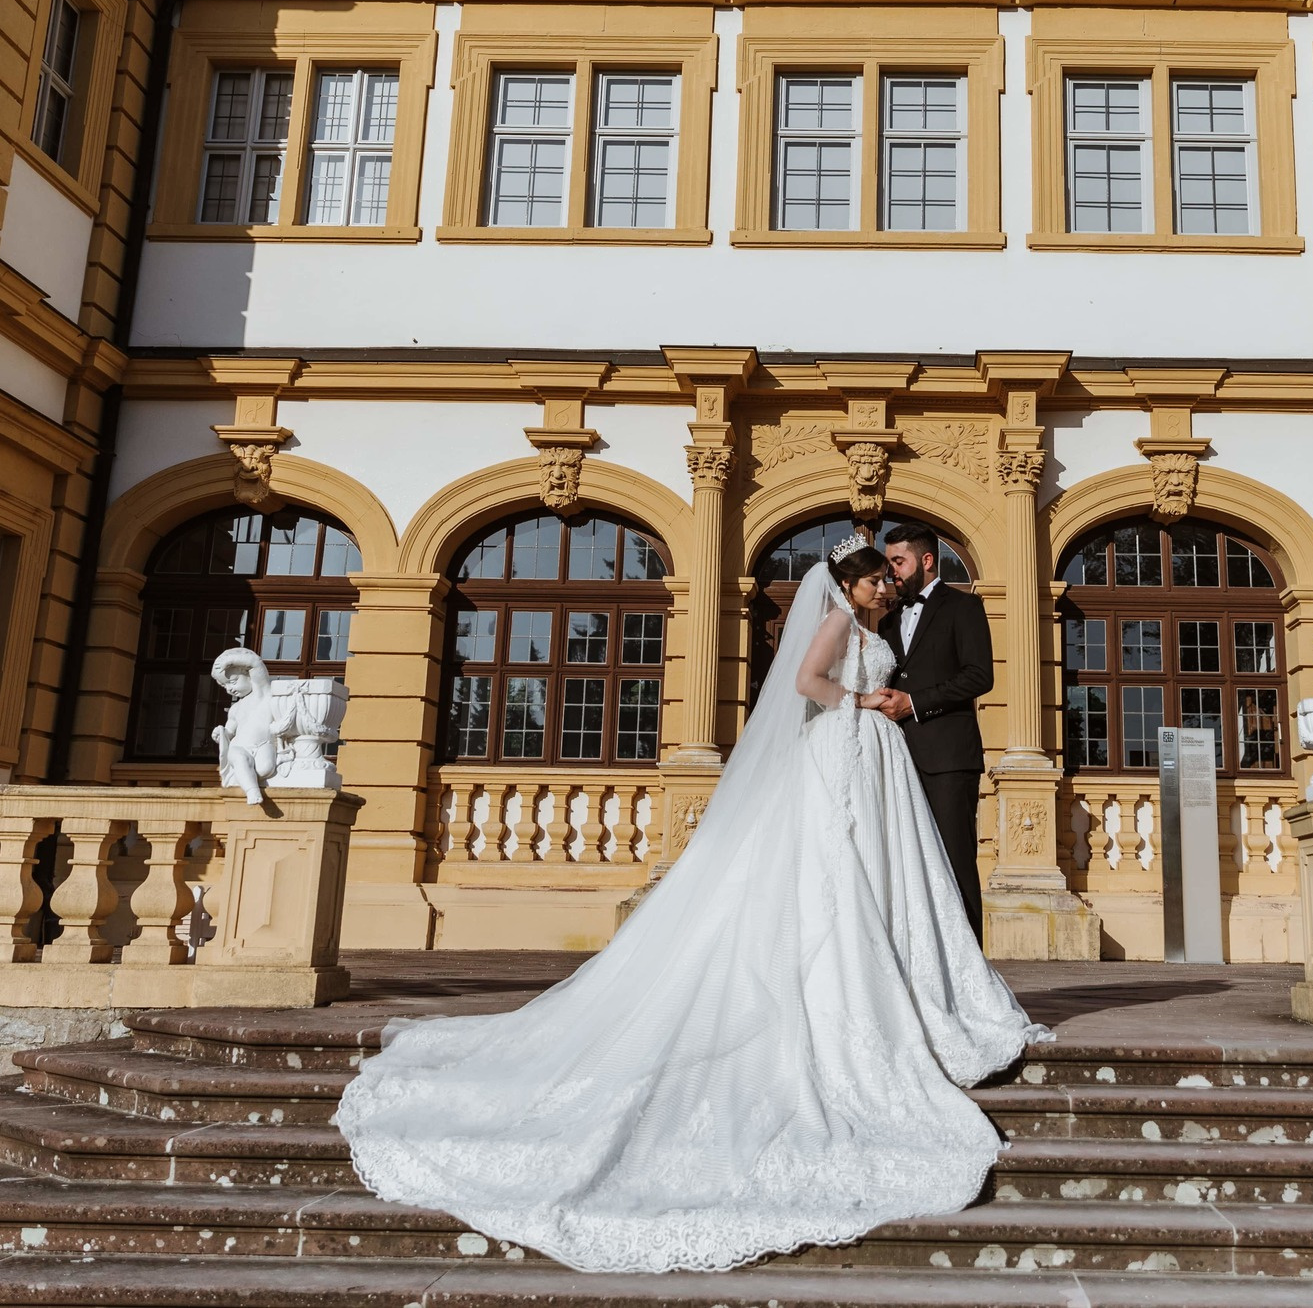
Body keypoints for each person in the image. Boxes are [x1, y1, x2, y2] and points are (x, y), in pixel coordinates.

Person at [336, 534, 1048, 1274]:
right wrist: (861, 699)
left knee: (877, 878)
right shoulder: (840, 619)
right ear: (855, 582)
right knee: (833, 877)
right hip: (843, 749)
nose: (888, 589)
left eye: (890, 578)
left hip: (872, 760)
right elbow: (806, 680)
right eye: (878, 579)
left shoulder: (881, 622)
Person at [876, 522, 993, 940]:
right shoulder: (886, 623)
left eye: (898, 561)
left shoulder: (964, 608)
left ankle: (971, 967)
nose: (891, 572)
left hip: (948, 758)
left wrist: (915, 703)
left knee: (955, 859)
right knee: (907, 861)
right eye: (889, 563)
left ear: (925, 560)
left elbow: (979, 676)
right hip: (896, 757)